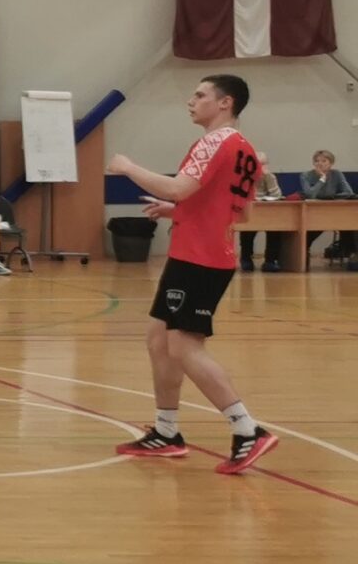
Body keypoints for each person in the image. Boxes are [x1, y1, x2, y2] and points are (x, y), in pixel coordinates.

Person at [108, 75, 275, 472]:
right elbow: (242, 213)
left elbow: (178, 188)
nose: (191, 101)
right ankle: (167, 432)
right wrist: (179, 212)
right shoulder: (245, 149)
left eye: (200, 95)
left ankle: (247, 429)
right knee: (158, 339)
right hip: (199, 252)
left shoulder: (214, 142)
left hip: (201, 257)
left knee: (183, 345)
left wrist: (128, 167)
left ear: (225, 103)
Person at [300, 148, 354, 265]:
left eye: (324, 161)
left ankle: (352, 255)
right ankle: (302, 253)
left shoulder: (337, 174)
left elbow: (348, 192)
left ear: (331, 163)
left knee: (351, 224)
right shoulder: (306, 175)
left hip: (333, 210)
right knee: (311, 230)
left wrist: (333, 197)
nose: (320, 164)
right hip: (313, 212)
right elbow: (310, 194)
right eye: (317, 161)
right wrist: (322, 179)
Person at [239, 160, 287, 272]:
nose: (260, 167)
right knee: (247, 230)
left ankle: (270, 260)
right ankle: (246, 259)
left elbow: (277, 195)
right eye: (257, 164)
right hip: (251, 210)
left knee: (275, 229)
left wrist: (268, 177)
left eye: (263, 164)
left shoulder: (270, 177)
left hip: (269, 211)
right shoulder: (244, 176)